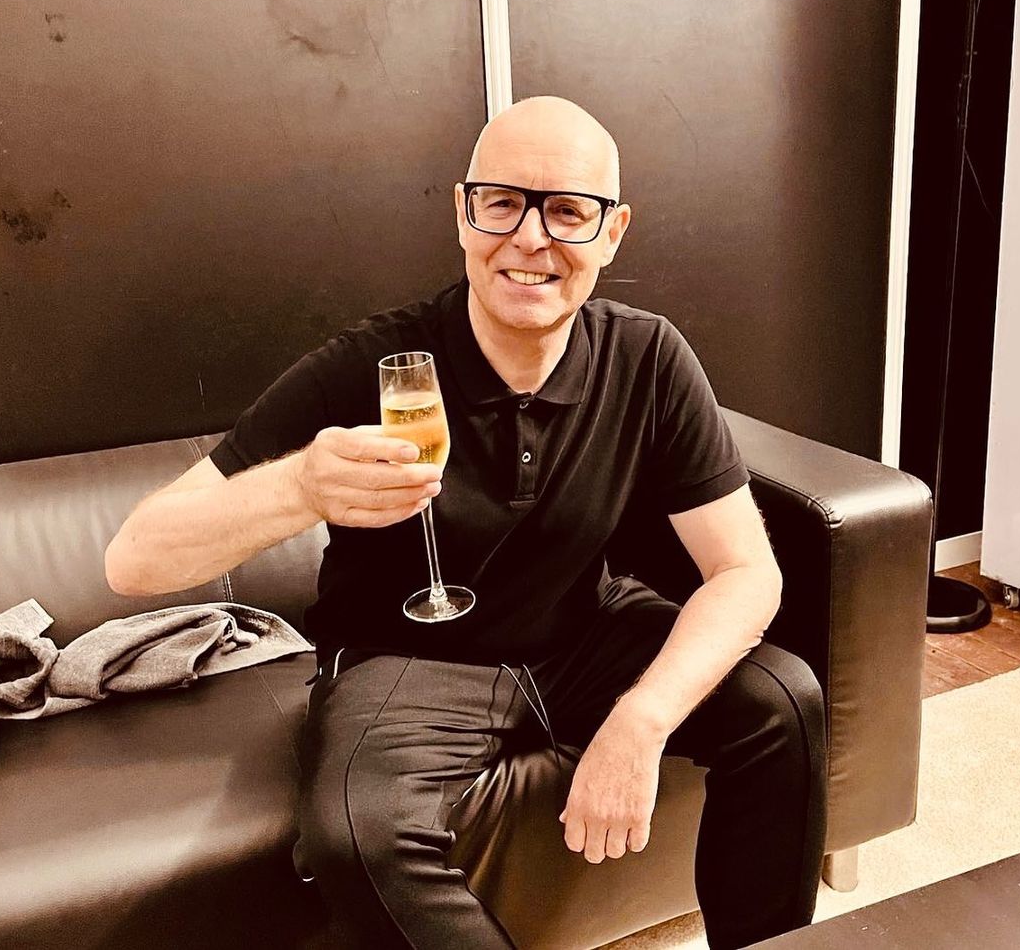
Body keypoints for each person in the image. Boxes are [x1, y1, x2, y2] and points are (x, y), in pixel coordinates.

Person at [105, 96, 826, 950]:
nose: (529, 238)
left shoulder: (647, 356)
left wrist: (644, 717)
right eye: (502, 202)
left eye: (568, 210)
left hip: (582, 631)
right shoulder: (371, 363)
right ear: (462, 212)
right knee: (357, 831)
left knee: (783, 699)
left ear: (613, 231)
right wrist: (299, 486)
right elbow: (133, 560)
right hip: (405, 657)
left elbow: (746, 571)